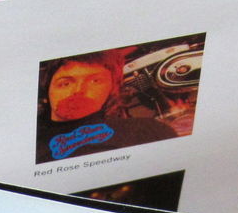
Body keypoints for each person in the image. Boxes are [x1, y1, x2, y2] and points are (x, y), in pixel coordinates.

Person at [35, 49, 176, 163]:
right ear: (47, 91)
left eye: (95, 81)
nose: (78, 90)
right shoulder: (29, 146)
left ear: (112, 89)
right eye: (65, 83)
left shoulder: (146, 130)